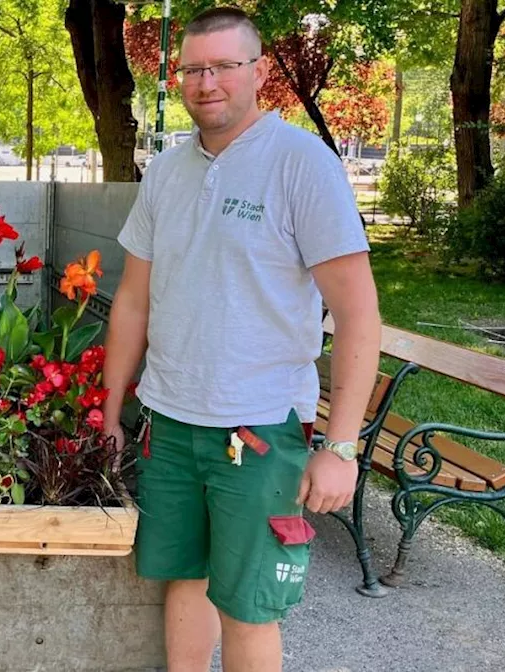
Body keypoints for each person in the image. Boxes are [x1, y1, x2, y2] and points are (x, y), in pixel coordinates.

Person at [101, 7, 382, 672]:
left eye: (224, 66)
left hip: (258, 430)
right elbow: (134, 300)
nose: (207, 82)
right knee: (184, 578)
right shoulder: (168, 173)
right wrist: (112, 410)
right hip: (170, 422)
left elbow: (359, 314)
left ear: (257, 71)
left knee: (249, 608)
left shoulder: (300, 164)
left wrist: (341, 447)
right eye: (194, 69)